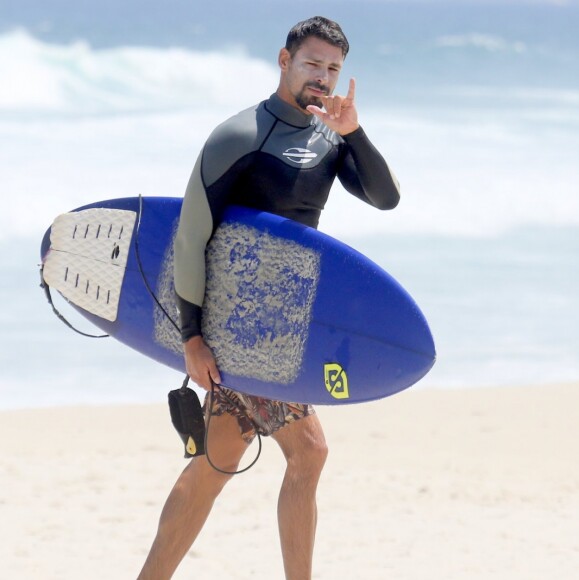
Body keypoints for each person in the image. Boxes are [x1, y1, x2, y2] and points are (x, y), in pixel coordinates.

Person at [137, 16, 400, 580]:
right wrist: (192, 336)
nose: (323, 77)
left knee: (218, 461)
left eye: (333, 68)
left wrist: (353, 132)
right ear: (284, 61)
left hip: (286, 322)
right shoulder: (240, 135)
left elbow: (385, 198)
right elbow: (191, 235)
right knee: (309, 452)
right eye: (312, 64)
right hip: (242, 327)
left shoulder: (329, 135)